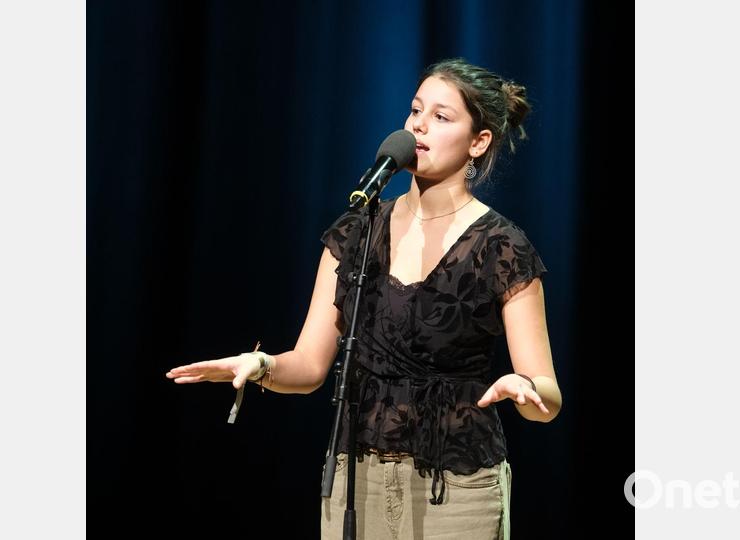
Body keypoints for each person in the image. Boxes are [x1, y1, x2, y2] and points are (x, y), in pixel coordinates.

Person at [166, 58, 562, 540]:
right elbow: (310, 366)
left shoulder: (502, 247)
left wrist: (527, 391)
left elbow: (547, 393)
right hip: (356, 483)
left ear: (478, 142)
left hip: (455, 490)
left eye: (441, 116)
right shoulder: (358, 230)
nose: (419, 124)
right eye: (415, 110)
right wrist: (262, 365)